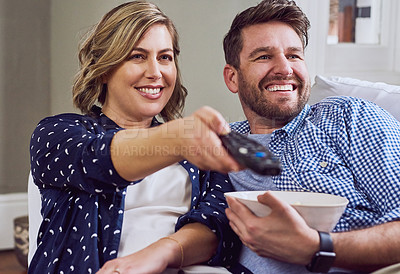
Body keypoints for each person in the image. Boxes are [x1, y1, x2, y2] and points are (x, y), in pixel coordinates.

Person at [28, 1, 242, 273]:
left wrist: (160, 253)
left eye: (165, 57)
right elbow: (98, 159)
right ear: (104, 68)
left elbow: (218, 225)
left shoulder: (200, 149)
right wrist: (179, 137)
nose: (155, 73)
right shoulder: (57, 133)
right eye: (137, 56)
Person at [221, 0, 400, 273]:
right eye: (264, 56)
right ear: (232, 78)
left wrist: (317, 247)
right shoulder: (218, 144)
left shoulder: (350, 117)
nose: (285, 68)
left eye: (294, 55)